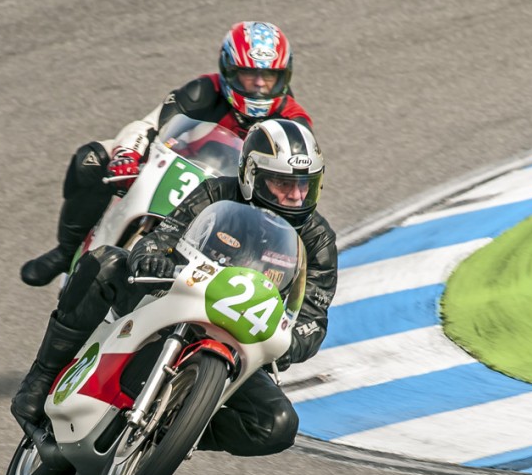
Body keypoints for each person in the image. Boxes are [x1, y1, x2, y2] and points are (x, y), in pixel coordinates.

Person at [11, 119, 337, 458]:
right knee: (104, 263)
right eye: (284, 184)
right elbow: (163, 235)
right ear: (252, 175)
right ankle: (40, 378)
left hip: (241, 340)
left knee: (277, 425)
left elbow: (314, 315)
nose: (297, 196)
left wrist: (291, 340)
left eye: (306, 185)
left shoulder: (319, 240)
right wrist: (153, 257)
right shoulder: (216, 192)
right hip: (175, 299)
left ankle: (176, 430)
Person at [20, 21, 314, 287]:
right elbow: (150, 125)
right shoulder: (204, 90)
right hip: (179, 167)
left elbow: (295, 178)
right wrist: (127, 155)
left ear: (284, 77)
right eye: (250, 74)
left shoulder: (293, 122)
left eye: (269, 76)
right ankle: (66, 250)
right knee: (92, 158)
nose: (260, 85)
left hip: (236, 197)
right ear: (229, 70)